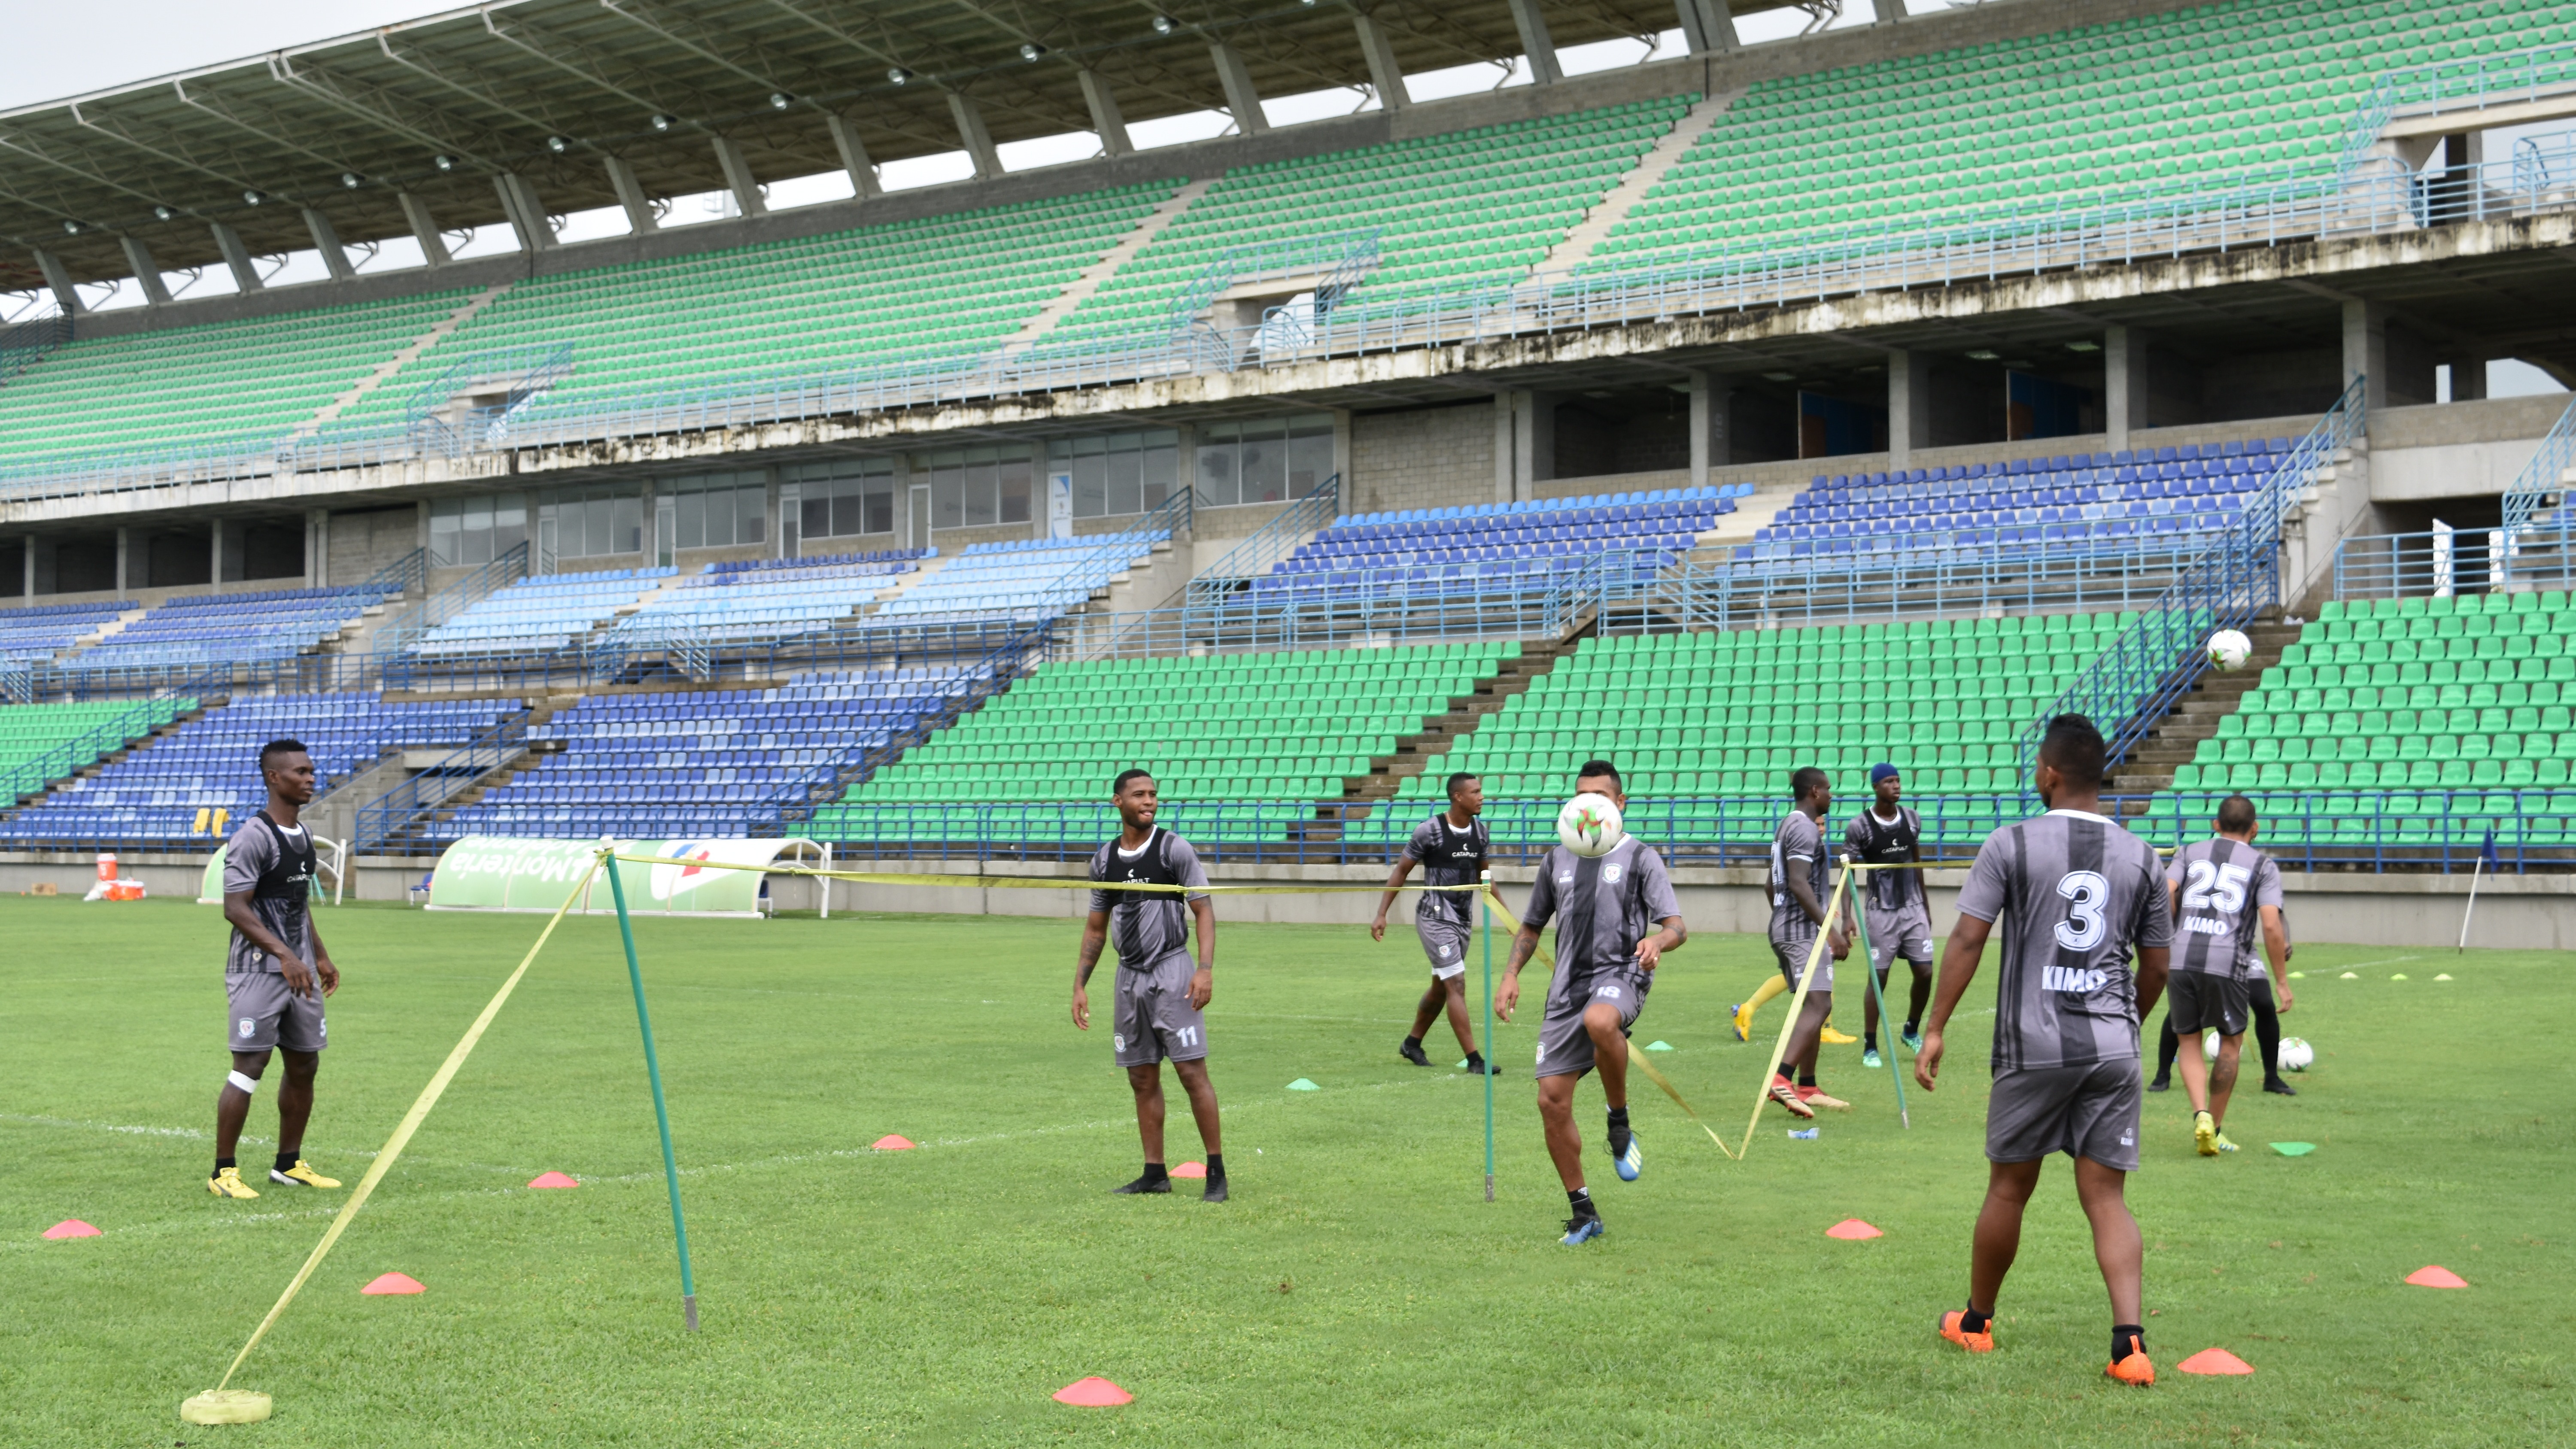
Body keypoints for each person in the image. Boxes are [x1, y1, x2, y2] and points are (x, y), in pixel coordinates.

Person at [1915, 713, 2172, 1386]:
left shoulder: (2010, 843)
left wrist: (1936, 1024)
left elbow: (1969, 939)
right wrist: (2130, 1026)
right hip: (2112, 1045)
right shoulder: (2146, 856)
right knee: (2107, 1196)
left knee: (2009, 1187)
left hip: (2032, 1046)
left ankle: (1975, 1324)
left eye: (2038, 765)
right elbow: (2157, 967)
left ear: (2051, 774)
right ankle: (2130, 1346)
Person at [1494, 761, 1686, 1246]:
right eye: (1581, 796)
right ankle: (1584, 1212)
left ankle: (1618, 1122)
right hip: (1565, 988)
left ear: (1620, 803)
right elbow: (1533, 924)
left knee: (1602, 1021)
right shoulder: (1555, 860)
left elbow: (1677, 925)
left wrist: (1658, 943)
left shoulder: (1642, 857)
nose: (1589, 805)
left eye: (1600, 795)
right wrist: (1511, 974)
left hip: (1622, 973)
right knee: (1550, 1102)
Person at [1072, 769, 1226, 1203]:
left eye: (1153, 794)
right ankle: (1154, 1172)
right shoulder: (1104, 861)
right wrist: (1080, 985)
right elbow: (1096, 929)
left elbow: (1205, 912)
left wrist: (1205, 969)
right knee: (1141, 1076)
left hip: (1173, 971)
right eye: (1139, 795)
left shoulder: (1173, 848)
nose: (1149, 801)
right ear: (1117, 802)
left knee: (1191, 1071)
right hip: (1129, 978)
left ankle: (1216, 1172)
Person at [209, 739, 343, 1200]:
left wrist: (318, 955)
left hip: (300, 971)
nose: (310, 779)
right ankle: (223, 1171)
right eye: (301, 772)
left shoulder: (304, 838)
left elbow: (298, 904)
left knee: (305, 1063)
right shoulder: (252, 836)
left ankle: (289, 1164)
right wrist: (284, 955)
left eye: (311, 772)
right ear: (274, 777)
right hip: (257, 972)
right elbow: (235, 908)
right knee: (251, 1065)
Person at [2155, 796, 2291, 1156]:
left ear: (2216, 824)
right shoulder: (2263, 865)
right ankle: (2214, 1126)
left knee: (2189, 1041)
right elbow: (2271, 924)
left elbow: (2166, 891)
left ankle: (2199, 1111)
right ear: (2255, 827)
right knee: (2230, 1042)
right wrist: (2281, 980)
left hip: (2181, 955)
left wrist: (2175, 929)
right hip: (2227, 959)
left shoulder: (2188, 851)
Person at [1372, 771, 1497, 1075]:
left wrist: (1507, 916)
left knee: (1441, 988)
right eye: (1476, 791)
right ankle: (1475, 1060)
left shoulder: (1481, 832)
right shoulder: (1430, 831)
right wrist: (1382, 912)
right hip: (1435, 917)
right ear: (1458, 796)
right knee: (1456, 982)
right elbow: (1401, 871)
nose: (1482, 796)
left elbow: (1485, 878)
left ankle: (1412, 1043)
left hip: (1462, 921)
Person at [1766, 767, 1851, 1117]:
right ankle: (1782, 1079)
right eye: (1829, 790)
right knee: (1819, 1005)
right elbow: (1798, 884)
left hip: (1789, 927)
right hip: (1801, 931)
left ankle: (1809, 1085)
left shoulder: (1787, 824)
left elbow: (1771, 886)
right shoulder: (1803, 828)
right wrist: (1830, 931)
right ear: (1814, 792)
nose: (1833, 795)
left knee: (1813, 1004)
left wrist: (1781, 918)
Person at [2152, 903, 2298, 1098]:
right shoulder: (2190, 872)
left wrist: (2285, 940)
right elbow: (2171, 895)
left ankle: (2272, 1077)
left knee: (2263, 1002)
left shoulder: (2258, 872)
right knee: (2187, 1007)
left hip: (2242, 947)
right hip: (2200, 945)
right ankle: (2163, 1074)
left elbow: (2276, 913)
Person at [1844, 762, 1935, 1070]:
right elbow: (1847, 874)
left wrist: (1926, 904)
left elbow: (1916, 863)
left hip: (1912, 909)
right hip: (1880, 911)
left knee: (1925, 972)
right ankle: (1870, 1045)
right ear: (1875, 787)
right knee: (1879, 977)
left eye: (1898, 780)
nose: (1896, 785)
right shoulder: (1860, 826)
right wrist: (1847, 916)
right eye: (1889, 781)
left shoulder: (1912, 819)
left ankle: (1911, 1028)